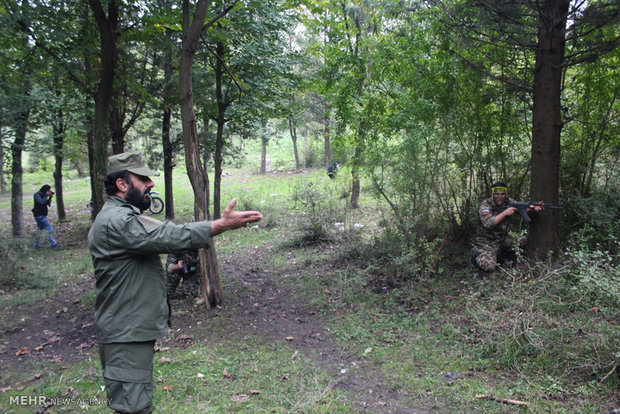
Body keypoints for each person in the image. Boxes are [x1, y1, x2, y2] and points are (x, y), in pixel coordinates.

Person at [88, 152, 262, 413]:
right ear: (122, 185)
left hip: (129, 330)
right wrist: (220, 225)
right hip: (124, 334)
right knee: (133, 407)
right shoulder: (117, 221)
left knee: (135, 403)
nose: (151, 184)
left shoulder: (120, 217)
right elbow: (168, 236)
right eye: (142, 178)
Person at [470, 182, 543, 271]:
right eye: (497, 194)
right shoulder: (486, 204)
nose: (500, 196)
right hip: (486, 241)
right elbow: (488, 223)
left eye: (502, 194)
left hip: (502, 238)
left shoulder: (509, 201)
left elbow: (522, 208)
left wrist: (533, 208)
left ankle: (501, 254)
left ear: (506, 194)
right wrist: (505, 213)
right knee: (489, 266)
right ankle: (476, 255)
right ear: (492, 194)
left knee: (523, 240)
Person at [32, 184, 58, 248]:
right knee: (50, 228)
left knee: (39, 229)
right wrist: (46, 195)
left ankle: (36, 244)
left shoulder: (43, 195)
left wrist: (50, 197)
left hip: (42, 215)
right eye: (48, 190)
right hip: (39, 215)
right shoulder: (37, 195)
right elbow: (41, 202)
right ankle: (53, 244)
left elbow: (47, 203)